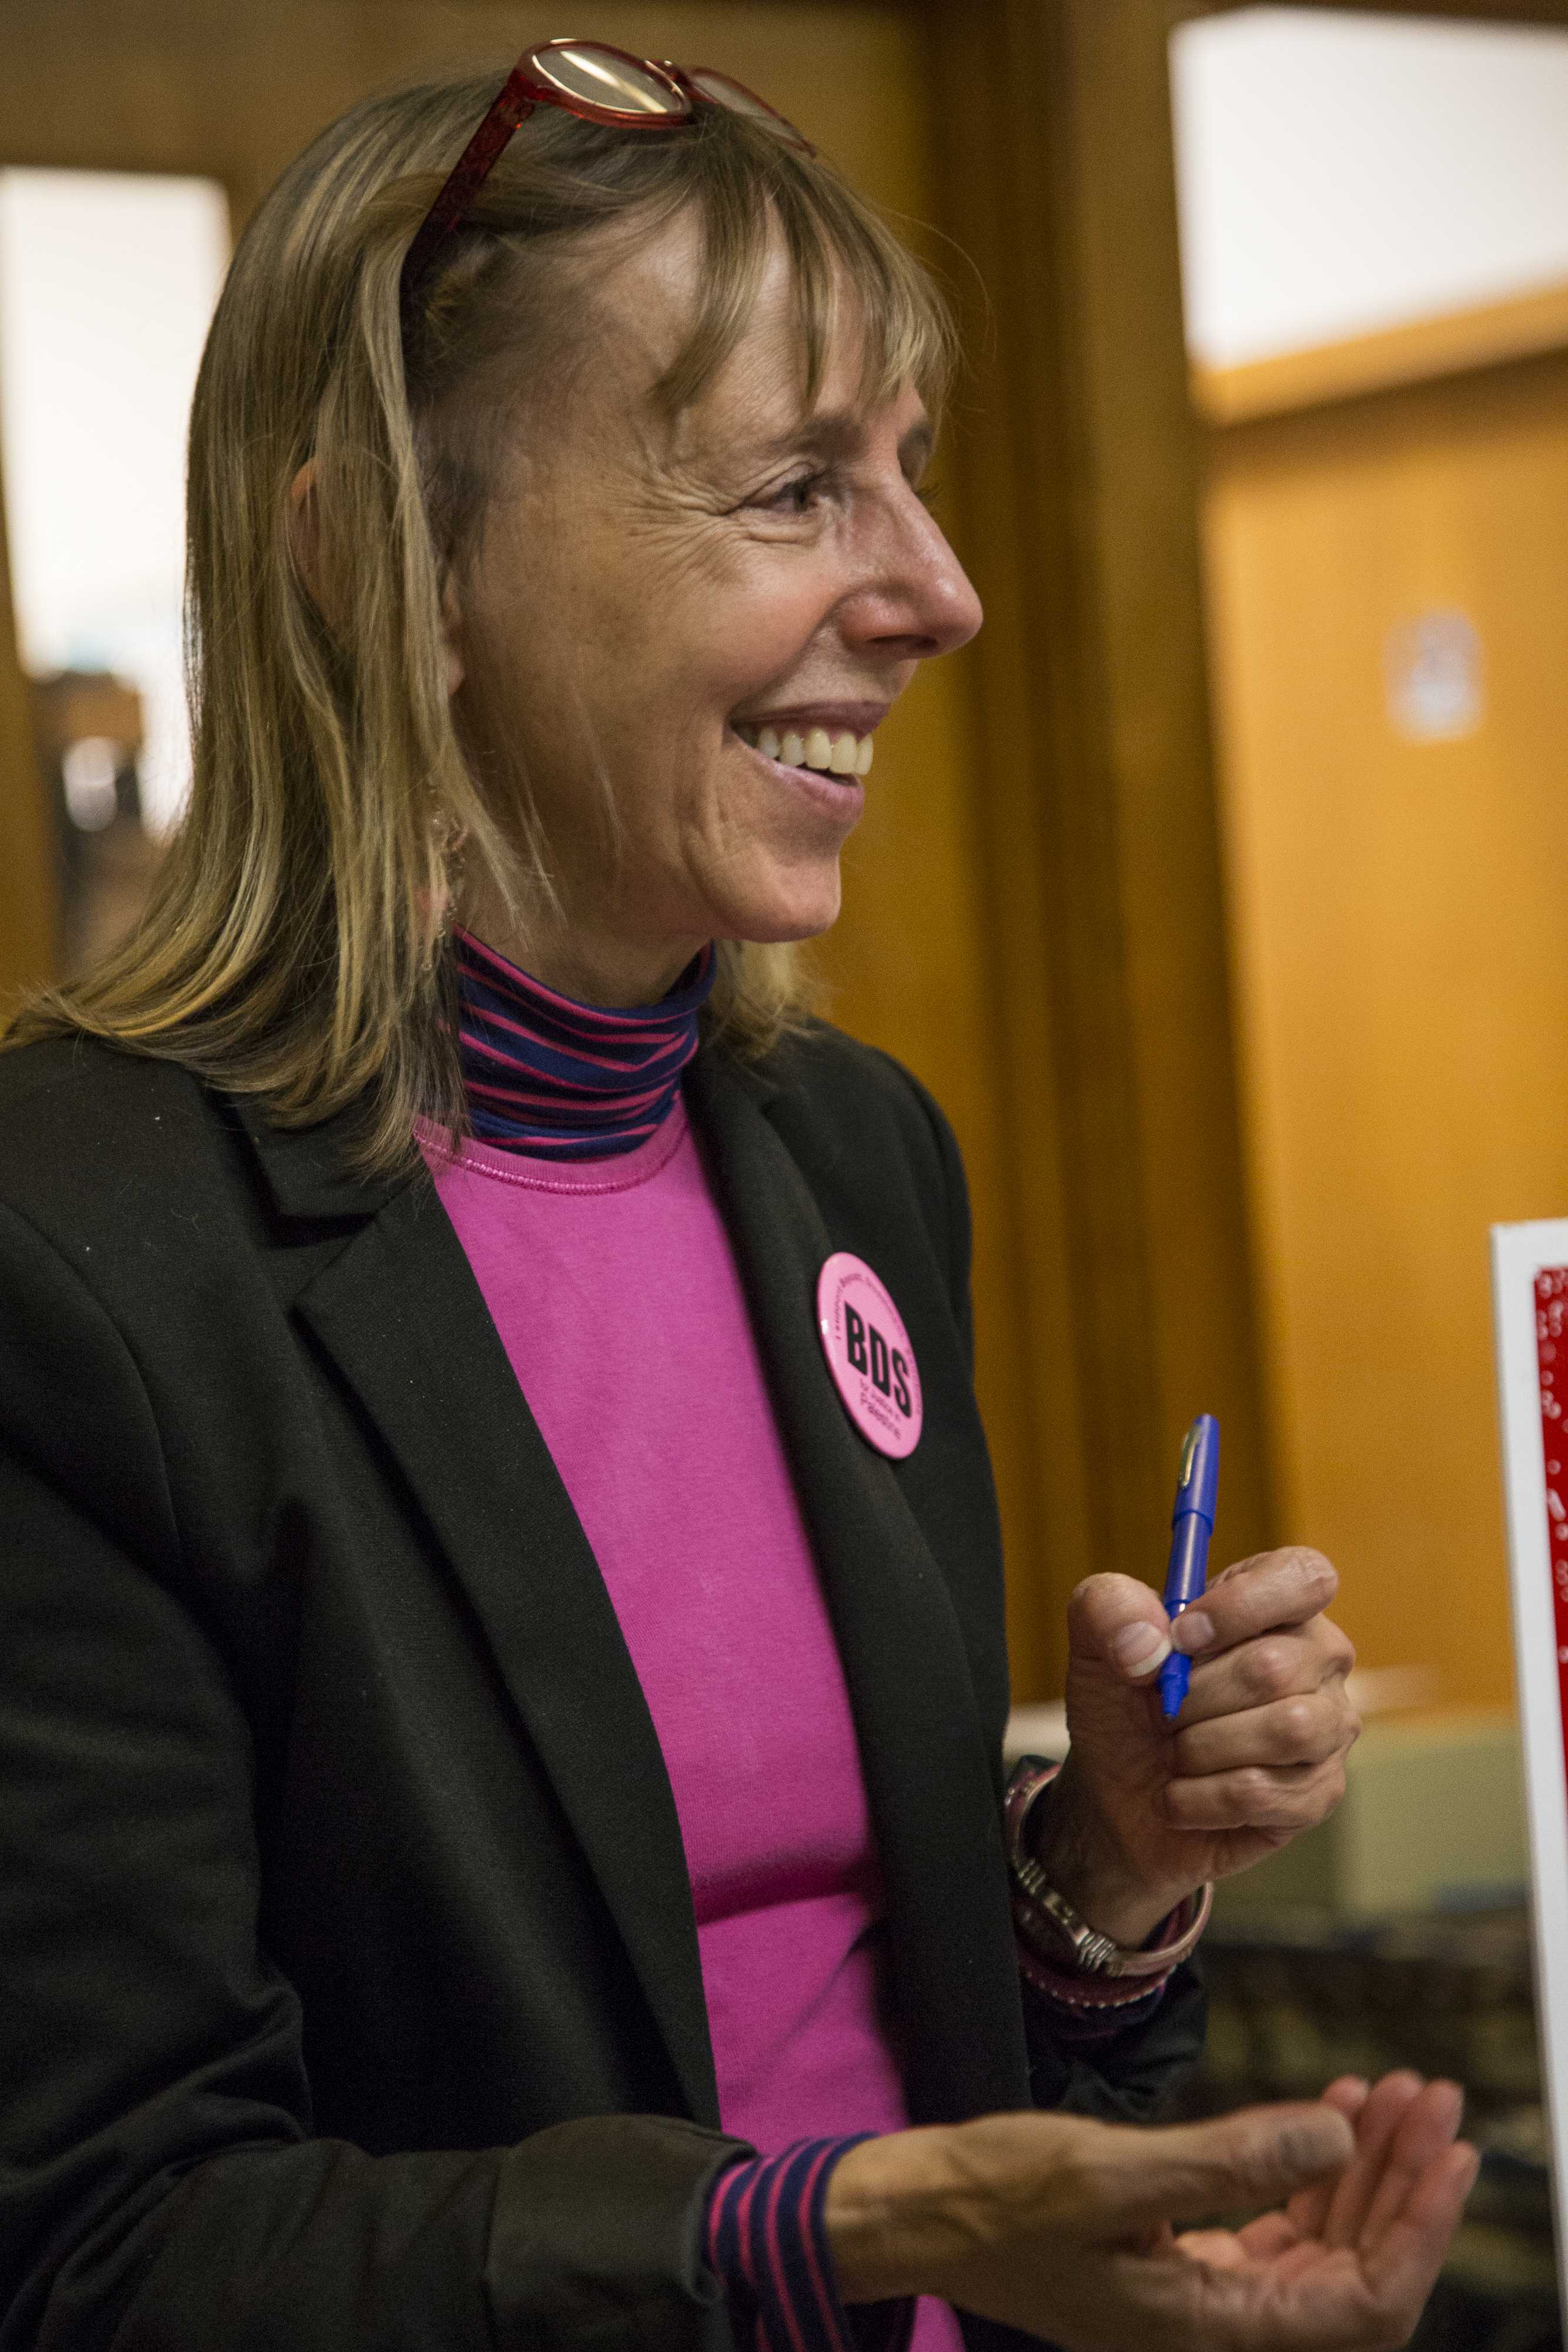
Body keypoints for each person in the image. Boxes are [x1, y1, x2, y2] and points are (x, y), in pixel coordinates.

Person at [0, 41, 1474, 2352]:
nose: (944, 594)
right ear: (391, 569)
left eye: (913, 478)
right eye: (795, 489)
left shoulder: (853, 1157)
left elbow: (908, 2068)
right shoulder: (74, 1264)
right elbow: (101, 2258)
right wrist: (794, 2236)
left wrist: (1100, 1876)